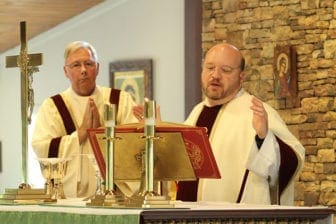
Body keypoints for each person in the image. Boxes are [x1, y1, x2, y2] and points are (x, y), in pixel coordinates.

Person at [133, 43, 305, 205]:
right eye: (210, 68)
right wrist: (159, 131)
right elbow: (179, 167)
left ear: (241, 77)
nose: (215, 75)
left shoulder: (255, 111)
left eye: (226, 70)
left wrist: (263, 138)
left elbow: (293, 161)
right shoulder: (197, 113)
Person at [32, 41, 138, 198]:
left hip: (115, 196)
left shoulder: (120, 100)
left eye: (88, 64)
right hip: (69, 197)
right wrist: (81, 133)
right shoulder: (53, 106)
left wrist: (101, 133)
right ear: (65, 71)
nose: (83, 70)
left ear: (97, 68)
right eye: (76, 65)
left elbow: (135, 145)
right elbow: (42, 147)